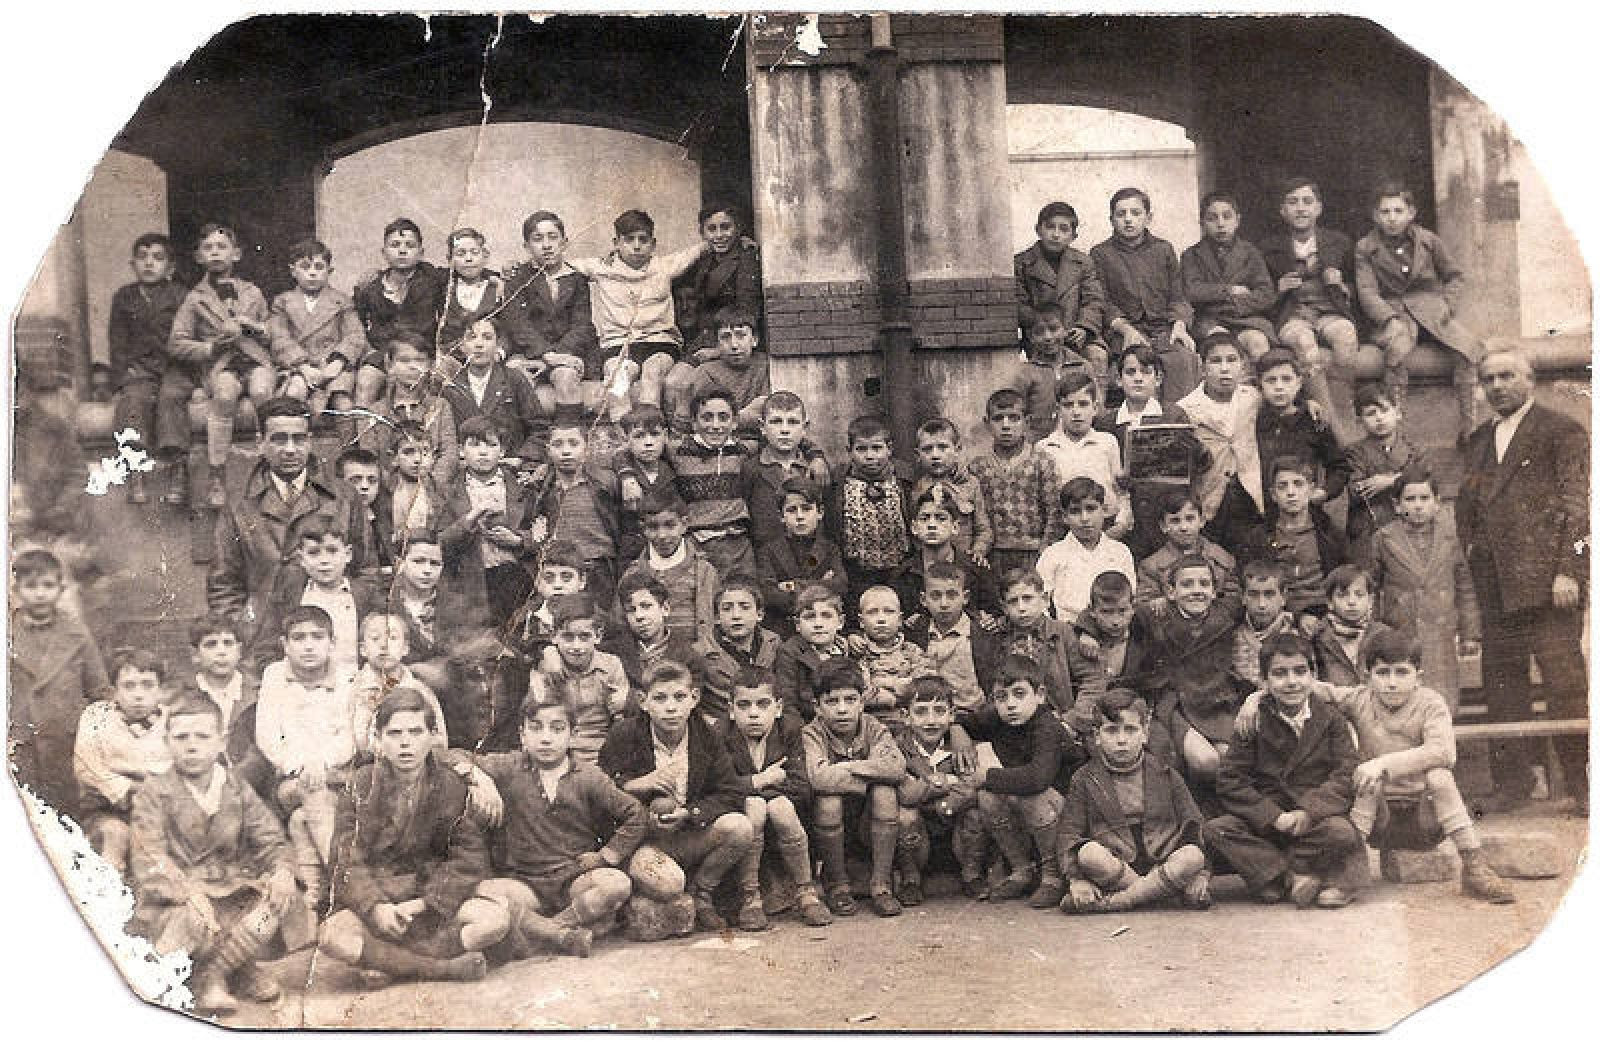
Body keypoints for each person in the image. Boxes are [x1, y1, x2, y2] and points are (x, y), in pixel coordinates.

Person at [1234, 630, 1515, 904]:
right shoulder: (1360, 698)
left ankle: (1474, 866)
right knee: (1366, 780)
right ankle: (1347, 876)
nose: (1391, 683)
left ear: (1419, 676)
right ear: (1367, 676)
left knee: (1439, 776)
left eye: (1401, 672)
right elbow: (1304, 685)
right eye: (1382, 673)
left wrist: (1382, 764)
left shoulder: (1431, 703)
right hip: (1378, 816)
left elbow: (1443, 751)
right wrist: (1254, 699)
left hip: (1424, 814)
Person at [1455, 347, 1588, 809]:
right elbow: (1466, 510)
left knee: (1564, 685)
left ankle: (1583, 786)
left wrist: (1570, 571)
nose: (1497, 386)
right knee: (1503, 687)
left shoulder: (1562, 432)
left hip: (1551, 589)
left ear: (1530, 380)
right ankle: (1512, 786)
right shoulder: (1476, 441)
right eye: (1488, 379)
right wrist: (1474, 558)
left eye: (1506, 376)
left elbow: (1580, 509)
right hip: (1496, 588)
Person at [128, 694, 297, 1015]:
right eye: (181, 737)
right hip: (174, 900)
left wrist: (282, 870)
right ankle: (219, 976)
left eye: (202, 736)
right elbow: (149, 857)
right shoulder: (154, 792)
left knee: (279, 899)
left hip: (227, 890)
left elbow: (271, 838)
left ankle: (218, 973)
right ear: (167, 742)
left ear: (221, 742)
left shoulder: (234, 787)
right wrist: (187, 892)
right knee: (191, 922)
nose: (191, 746)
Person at [317, 689, 500, 984]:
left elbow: (467, 858)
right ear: (378, 739)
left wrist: (424, 904)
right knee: (330, 936)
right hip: (379, 907)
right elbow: (346, 860)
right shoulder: (360, 785)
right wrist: (377, 907)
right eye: (394, 733)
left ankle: (390, 964)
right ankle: (443, 969)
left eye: (416, 732)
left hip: (429, 905)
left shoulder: (452, 785)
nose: (405, 743)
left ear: (432, 737)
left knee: (493, 921)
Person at [459, 693, 647, 958]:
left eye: (557, 729)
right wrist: (479, 777)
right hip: (524, 884)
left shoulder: (587, 776)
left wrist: (607, 855)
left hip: (573, 881)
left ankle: (548, 932)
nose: (546, 738)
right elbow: (449, 754)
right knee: (482, 890)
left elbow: (635, 814)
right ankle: (561, 936)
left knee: (616, 884)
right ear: (522, 735)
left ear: (572, 735)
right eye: (536, 728)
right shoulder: (509, 767)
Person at [1206, 633, 1364, 908]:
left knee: (1341, 832)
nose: (1292, 682)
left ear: (1313, 676)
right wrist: (1273, 816)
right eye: (1280, 674)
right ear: (1265, 682)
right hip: (1271, 822)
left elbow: (1345, 773)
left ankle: (1273, 875)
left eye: (1300, 671)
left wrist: (1308, 811)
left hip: (1313, 821)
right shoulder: (1253, 720)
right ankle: (1291, 877)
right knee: (1217, 829)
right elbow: (1231, 780)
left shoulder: (1331, 719)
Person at [598, 660, 757, 933]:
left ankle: (702, 892)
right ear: (643, 701)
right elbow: (598, 790)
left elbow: (730, 792)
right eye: (660, 698)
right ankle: (650, 891)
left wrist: (691, 812)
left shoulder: (706, 735)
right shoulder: (624, 735)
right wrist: (635, 784)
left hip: (690, 834)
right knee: (668, 885)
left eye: (679, 697)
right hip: (643, 840)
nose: (671, 707)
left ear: (694, 698)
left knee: (739, 827)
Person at [207, 396, 374, 635]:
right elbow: (223, 585)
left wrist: (347, 625)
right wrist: (243, 633)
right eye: (278, 439)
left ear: (310, 441)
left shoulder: (345, 497)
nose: (290, 450)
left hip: (330, 636)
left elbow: (367, 572)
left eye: (298, 439)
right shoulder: (239, 505)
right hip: (261, 638)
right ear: (260, 443)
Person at [1058, 688, 1210, 913]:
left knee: (1193, 857)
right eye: (1111, 731)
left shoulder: (1165, 772)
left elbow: (1194, 826)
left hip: (1162, 860)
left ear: (1145, 733)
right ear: (1097, 736)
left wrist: (1202, 874)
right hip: (1115, 864)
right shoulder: (1084, 778)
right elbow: (1069, 835)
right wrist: (1076, 880)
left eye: (1130, 730)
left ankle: (1116, 902)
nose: (1122, 740)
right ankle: (1159, 894)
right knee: (1088, 854)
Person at [1354, 180, 1483, 439]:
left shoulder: (1428, 241)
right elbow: (1367, 291)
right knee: (1396, 352)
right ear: (1375, 216)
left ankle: (1470, 429)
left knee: (1467, 349)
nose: (1392, 218)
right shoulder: (1366, 248)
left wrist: (1447, 304)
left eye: (1398, 211)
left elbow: (1455, 276)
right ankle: (1394, 431)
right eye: (1385, 212)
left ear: (1411, 213)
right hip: (1393, 314)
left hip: (1433, 312)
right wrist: (1388, 319)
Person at [254, 605, 358, 908]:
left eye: (317, 637)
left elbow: (350, 734)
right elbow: (267, 734)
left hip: (338, 775)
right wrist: (301, 764)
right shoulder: (274, 675)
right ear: (285, 645)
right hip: (293, 780)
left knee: (303, 820)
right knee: (312, 794)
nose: (309, 645)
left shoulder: (347, 678)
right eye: (299, 638)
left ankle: (316, 899)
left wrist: (322, 763)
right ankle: (347, 885)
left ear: (332, 643)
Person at [961, 655, 1084, 908]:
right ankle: (1021, 869)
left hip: (1071, 810)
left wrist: (987, 776)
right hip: (1036, 805)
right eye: (1001, 697)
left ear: (1040, 695)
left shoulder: (1046, 727)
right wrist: (958, 733)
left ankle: (1053, 876)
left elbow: (1038, 778)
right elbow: (965, 720)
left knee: (1030, 795)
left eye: (1019, 694)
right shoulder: (999, 717)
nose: (1010, 705)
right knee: (987, 796)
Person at [168, 223, 274, 508]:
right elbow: (177, 343)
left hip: (255, 360)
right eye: (208, 248)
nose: (215, 253)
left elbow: (272, 333)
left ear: (236, 254)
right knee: (225, 394)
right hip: (221, 365)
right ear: (199, 257)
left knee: (263, 391)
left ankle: (271, 465)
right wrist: (213, 346)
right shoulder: (194, 299)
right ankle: (217, 474)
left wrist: (251, 326)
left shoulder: (253, 292)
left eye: (222, 247)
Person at [571, 209, 709, 421]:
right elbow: (560, 263)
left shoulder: (663, 266)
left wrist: (741, 240)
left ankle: (649, 429)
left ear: (653, 244)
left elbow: (699, 249)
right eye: (629, 240)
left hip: (660, 342)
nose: (636, 246)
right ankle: (624, 435)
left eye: (643, 240)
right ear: (616, 242)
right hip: (619, 344)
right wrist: (508, 270)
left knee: (652, 373)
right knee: (618, 381)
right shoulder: (601, 268)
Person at [722, 669, 833, 928]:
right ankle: (750, 895)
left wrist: (766, 796)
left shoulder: (791, 731)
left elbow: (801, 786)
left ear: (778, 707)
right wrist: (761, 782)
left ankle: (806, 891)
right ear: (730, 710)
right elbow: (721, 788)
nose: (753, 713)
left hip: (789, 818)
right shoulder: (721, 735)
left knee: (779, 806)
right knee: (755, 806)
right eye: (744, 705)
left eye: (762, 704)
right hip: (745, 822)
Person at [1368, 467, 1481, 713]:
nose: (1418, 505)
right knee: (1403, 700)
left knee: (1442, 700)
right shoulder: (1383, 539)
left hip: (1441, 632)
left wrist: (1470, 632)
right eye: (1410, 499)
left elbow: (1465, 587)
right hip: (1401, 633)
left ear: (1437, 503)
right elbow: (1371, 588)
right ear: (1397, 506)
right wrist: (1377, 629)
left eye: (1424, 498)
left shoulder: (1449, 538)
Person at [801, 658, 908, 918]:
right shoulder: (812, 733)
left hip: (867, 823)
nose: (842, 710)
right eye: (832, 701)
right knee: (830, 800)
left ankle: (881, 885)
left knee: (885, 793)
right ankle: (838, 885)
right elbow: (820, 779)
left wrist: (849, 768)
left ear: (862, 702)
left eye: (850, 700)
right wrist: (871, 772)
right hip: (825, 829)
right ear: (817, 707)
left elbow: (895, 768)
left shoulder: (873, 727)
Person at [8, 548, 110, 816]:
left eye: (48, 585)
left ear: (61, 588)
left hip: (66, 748)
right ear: (16, 589)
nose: (40, 593)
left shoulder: (76, 635)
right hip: (19, 747)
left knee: (65, 822)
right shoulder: (7, 633)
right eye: (30, 586)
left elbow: (99, 691)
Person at [1137, 554, 1247, 788]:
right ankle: (1192, 803)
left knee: (1229, 759)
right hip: (1176, 703)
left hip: (1216, 701)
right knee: (1205, 761)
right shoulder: (1157, 616)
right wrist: (1088, 633)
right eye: (1187, 584)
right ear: (1170, 592)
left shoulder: (1224, 615)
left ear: (1215, 591)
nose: (1196, 591)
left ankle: (1215, 809)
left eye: (1204, 584)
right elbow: (1116, 608)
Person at [1259, 177, 1359, 429]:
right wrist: (1278, 289)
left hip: (1329, 312)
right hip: (1293, 315)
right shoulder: (1268, 248)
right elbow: (1259, 294)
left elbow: (1360, 287)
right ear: (1283, 211)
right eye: (1293, 202)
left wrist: (1340, 285)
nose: (1301, 208)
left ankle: (1344, 415)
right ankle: (1325, 420)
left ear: (1318, 208)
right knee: (1305, 344)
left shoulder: (1340, 243)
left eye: (1307, 201)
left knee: (1346, 335)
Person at [1095, 343, 1207, 559]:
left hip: (1164, 509)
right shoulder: (1107, 422)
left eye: (1146, 372)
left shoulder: (1173, 415)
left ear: (1158, 379)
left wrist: (1193, 449)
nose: (1138, 378)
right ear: (1118, 380)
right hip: (1126, 513)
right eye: (1130, 372)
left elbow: (1194, 465)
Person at [1090, 187, 1199, 401]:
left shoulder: (1163, 249)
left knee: (1183, 359)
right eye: (1121, 214)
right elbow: (1102, 300)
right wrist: (1125, 329)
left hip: (1162, 328)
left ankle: (1176, 420)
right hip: (1123, 331)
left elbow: (1178, 296)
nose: (1128, 220)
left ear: (1148, 218)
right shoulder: (1101, 254)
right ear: (1111, 219)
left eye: (1135, 213)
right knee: (1137, 362)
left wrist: (1179, 324)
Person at [73, 649, 172, 873]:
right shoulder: (97, 716)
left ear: (161, 691)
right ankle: (109, 895)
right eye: (129, 686)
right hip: (107, 805)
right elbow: (87, 765)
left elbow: (180, 765)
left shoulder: (172, 719)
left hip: (162, 804)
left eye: (147, 685)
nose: (138, 695)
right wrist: (125, 791)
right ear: (114, 691)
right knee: (114, 835)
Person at [105, 232, 186, 504]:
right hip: (139, 368)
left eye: (158, 258)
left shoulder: (180, 295)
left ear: (170, 267)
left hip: (175, 367)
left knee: (171, 398)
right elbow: (116, 341)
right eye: (142, 257)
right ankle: (135, 469)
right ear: (133, 264)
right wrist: (120, 379)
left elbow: (189, 336)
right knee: (134, 400)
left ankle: (177, 469)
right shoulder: (124, 297)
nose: (149, 263)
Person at [438, 416, 543, 624]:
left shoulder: (523, 488)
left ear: (502, 451)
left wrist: (518, 541)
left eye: (491, 445)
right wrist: (467, 521)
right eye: (475, 445)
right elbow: (440, 541)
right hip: (471, 579)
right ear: (461, 451)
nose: (483, 452)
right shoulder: (449, 492)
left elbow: (543, 532)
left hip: (515, 576)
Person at [248, 514, 382, 674]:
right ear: (301, 558)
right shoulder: (291, 594)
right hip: (302, 686)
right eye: (314, 553)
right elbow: (267, 647)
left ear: (348, 554)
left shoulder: (365, 595)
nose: (324, 561)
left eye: (332, 551)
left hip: (355, 683)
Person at [500, 210, 602, 419]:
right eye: (538, 239)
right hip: (531, 353)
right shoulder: (518, 279)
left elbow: (582, 325)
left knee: (565, 376)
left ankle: (568, 435)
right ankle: (525, 441)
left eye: (552, 237)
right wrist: (547, 355)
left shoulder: (576, 279)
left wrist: (557, 357)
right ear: (526, 246)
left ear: (564, 243)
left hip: (568, 352)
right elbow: (518, 325)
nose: (546, 245)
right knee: (514, 376)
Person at [893, 676, 985, 902]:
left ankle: (971, 874)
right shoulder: (897, 747)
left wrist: (942, 804)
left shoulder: (960, 748)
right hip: (918, 836)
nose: (931, 720)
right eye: (921, 712)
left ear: (952, 715)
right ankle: (910, 878)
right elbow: (905, 793)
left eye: (939, 711)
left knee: (975, 814)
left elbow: (972, 786)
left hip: (954, 833)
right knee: (905, 816)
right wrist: (944, 781)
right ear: (906, 716)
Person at [1013, 201, 1110, 409]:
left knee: (1097, 355)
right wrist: (1047, 327)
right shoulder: (1022, 263)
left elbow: (1094, 300)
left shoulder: (1083, 263)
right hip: (1042, 336)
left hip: (1077, 335)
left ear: (1073, 236)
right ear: (1038, 229)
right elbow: (1019, 305)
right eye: (1050, 227)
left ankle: (1097, 410)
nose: (1056, 234)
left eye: (1064, 229)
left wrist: (1084, 327)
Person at [1239, 455, 1350, 634]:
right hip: (1276, 616)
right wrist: (1295, 617)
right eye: (1282, 486)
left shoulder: (1330, 534)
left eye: (1298, 484)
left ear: (1311, 490)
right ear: (1273, 495)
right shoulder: (1259, 538)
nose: (1291, 493)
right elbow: (1252, 586)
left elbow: (1343, 581)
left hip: (1325, 615)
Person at [1178, 332, 1266, 550]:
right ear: (1203, 367)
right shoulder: (1186, 409)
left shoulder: (1252, 398)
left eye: (1231, 360)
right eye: (1216, 361)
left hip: (1249, 492)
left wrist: (1310, 404)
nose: (1224, 368)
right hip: (1210, 495)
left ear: (1242, 366)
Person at [969, 388, 1064, 582]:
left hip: (1033, 552)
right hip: (992, 554)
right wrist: (978, 550)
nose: (1006, 425)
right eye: (998, 418)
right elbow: (975, 517)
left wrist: (1046, 551)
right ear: (987, 423)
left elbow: (1054, 512)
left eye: (1014, 418)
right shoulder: (977, 467)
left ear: (1026, 422)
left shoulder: (1042, 462)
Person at [994, 568, 1106, 732]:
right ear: (1004, 608)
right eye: (1013, 601)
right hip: (1015, 723)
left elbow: (1093, 680)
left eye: (1027, 599)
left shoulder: (1063, 633)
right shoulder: (1000, 639)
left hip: (1062, 721)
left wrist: (1072, 720)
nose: (1021, 608)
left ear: (1045, 600)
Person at [267, 237, 366, 418]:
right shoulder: (282, 302)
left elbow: (355, 335)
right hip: (298, 367)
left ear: (330, 271)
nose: (312, 273)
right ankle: (296, 442)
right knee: (294, 394)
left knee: (343, 403)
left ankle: (349, 447)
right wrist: (303, 366)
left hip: (333, 367)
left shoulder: (341, 301)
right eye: (305, 267)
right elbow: (280, 337)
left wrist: (337, 364)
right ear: (293, 271)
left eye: (319, 267)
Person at [351, 218, 447, 404]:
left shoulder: (433, 279)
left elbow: (465, 271)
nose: (402, 250)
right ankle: (364, 431)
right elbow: (358, 322)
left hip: (421, 353)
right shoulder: (370, 287)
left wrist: (496, 278)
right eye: (395, 245)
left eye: (410, 245)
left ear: (421, 253)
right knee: (366, 380)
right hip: (383, 353)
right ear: (384, 252)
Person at [525, 595, 630, 765]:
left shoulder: (611, 665)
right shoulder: (547, 666)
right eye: (568, 637)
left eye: (584, 637)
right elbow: (536, 716)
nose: (576, 647)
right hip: (559, 754)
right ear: (554, 636)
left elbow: (620, 719)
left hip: (601, 753)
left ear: (598, 636)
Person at [670, 388, 760, 581]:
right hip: (697, 544)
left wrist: (815, 456)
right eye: (707, 417)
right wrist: (627, 476)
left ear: (734, 422)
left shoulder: (745, 450)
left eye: (723, 417)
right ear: (694, 423)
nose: (715, 425)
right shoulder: (677, 450)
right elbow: (626, 451)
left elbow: (787, 439)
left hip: (738, 544)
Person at [829, 414, 914, 613]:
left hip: (898, 568)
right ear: (849, 451)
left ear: (889, 449)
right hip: (857, 570)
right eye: (861, 449)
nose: (869, 456)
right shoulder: (839, 482)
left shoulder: (904, 479)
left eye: (877, 448)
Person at [1180, 190, 1276, 363]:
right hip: (1210, 321)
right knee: (1221, 344)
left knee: (1257, 342)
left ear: (1237, 220)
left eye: (1227, 216)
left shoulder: (1250, 252)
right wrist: (1230, 291)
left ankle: (1253, 388)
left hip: (1246, 318)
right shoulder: (1192, 255)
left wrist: (1235, 305)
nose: (1220, 224)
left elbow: (1266, 294)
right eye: (1212, 218)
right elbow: (1192, 291)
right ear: (1202, 223)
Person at [440, 317, 547, 465]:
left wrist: (521, 459)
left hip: (510, 467)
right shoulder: (450, 386)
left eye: (487, 338)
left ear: (498, 345)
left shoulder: (514, 379)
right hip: (464, 469)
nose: (479, 344)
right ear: (461, 346)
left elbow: (539, 428)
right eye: (472, 338)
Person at [537, 418, 620, 606]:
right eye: (558, 444)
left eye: (573, 443)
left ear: (586, 448)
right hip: (561, 571)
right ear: (548, 450)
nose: (566, 451)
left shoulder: (605, 483)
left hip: (598, 568)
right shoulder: (543, 489)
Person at [888, 483, 999, 622]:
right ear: (914, 528)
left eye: (941, 518)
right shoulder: (903, 575)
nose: (932, 525)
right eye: (924, 518)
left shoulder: (976, 569)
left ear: (955, 527)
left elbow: (993, 615)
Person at [1343, 380, 1428, 561]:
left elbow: (1423, 482)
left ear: (1397, 413)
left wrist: (1391, 481)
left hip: (1408, 523)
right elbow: (1356, 489)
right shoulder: (1355, 452)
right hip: (1370, 526)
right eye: (1371, 414)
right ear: (1360, 421)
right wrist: (1405, 478)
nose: (1379, 418)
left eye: (1384, 410)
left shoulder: (1414, 450)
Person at [1036, 371, 1128, 537]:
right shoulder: (1045, 448)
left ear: (1095, 408)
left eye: (1083, 404)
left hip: (1106, 526)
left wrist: (1121, 523)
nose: (1076, 412)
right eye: (1068, 405)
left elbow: (1121, 490)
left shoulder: (1107, 443)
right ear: (1058, 409)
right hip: (1062, 529)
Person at [905, 561, 1003, 716]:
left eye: (952, 595)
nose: (944, 604)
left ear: (965, 597)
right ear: (924, 600)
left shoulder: (982, 634)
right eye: (936, 596)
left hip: (973, 716)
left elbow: (993, 683)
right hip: (930, 717)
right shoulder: (915, 633)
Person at [621, 488, 720, 641]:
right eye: (653, 527)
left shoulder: (704, 572)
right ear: (643, 529)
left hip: (695, 658)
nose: (662, 535)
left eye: (670, 525)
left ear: (684, 524)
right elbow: (620, 626)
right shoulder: (633, 574)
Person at [1035, 477, 1136, 624]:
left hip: (1112, 628)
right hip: (1068, 630)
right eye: (1075, 511)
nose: (1084, 518)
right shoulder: (1053, 555)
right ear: (1065, 517)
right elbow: (1039, 602)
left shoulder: (1120, 552)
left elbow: (1130, 598)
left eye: (1091, 509)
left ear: (1104, 510)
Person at [1254, 348, 1346, 508]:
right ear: (1260, 385)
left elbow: (1339, 467)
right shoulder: (1253, 421)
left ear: (1299, 383)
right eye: (1271, 380)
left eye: (1286, 379)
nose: (1279, 387)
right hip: (1262, 512)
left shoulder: (1313, 421)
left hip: (1305, 510)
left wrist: (1323, 492)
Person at [756, 476, 846, 634]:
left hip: (821, 626)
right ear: (781, 516)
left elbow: (840, 585)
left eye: (806, 508)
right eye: (791, 510)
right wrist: (820, 585)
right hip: (783, 629)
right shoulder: (768, 550)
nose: (799, 516)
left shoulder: (830, 549)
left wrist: (793, 586)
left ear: (820, 512)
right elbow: (769, 594)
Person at [692, 575, 783, 728]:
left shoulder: (773, 643)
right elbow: (693, 702)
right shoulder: (700, 652)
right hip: (720, 730)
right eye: (727, 609)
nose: (736, 615)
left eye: (745, 607)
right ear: (716, 618)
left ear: (759, 614)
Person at [674, 203, 765, 354]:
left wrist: (718, 351)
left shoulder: (746, 260)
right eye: (712, 229)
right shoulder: (705, 259)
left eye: (725, 227)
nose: (719, 235)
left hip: (728, 345)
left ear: (737, 229)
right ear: (702, 233)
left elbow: (748, 312)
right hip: (702, 340)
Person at [605, 571, 704, 707]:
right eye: (631, 610)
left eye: (646, 606)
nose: (639, 616)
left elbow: (688, 705)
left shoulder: (688, 658)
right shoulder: (612, 653)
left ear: (665, 609)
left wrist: (630, 700)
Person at [910, 416, 993, 565]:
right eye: (927, 449)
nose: (935, 455)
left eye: (942, 447)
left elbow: (983, 527)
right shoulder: (916, 488)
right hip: (929, 562)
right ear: (917, 455)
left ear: (957, 449)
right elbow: (914, 531)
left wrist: (978, 551)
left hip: (963, 562)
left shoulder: (970, 484)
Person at [1135, 490, 1237, 609]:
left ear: (1202, 521)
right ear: (1163, 526)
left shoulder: (1222, 559)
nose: (1183, 527)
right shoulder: (1151, 567)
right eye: (1175, 521)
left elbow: (1233, 600)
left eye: (1190, 518)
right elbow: (1146, 605)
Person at [851, 585, 933, 731]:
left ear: (900, 619)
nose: (881, 619)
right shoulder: (858, 653)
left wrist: (881, 683)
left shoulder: (911, 651)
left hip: (910, 724)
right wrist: (895, 689)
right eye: (872, 612)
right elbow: (859, 691)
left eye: (889, 612)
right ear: (861, 621)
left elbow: (926, 684)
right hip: (868, 726)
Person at [772, 584, 852, 723]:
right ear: (797, 624)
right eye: (810, 617)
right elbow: (788, 703)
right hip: (809, 724)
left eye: (826, 616)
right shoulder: (790, 652)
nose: (818, 624)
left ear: (840, 622)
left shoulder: (847, 650)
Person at [686, 307, 771, 435]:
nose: (734, 345)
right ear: (717, 343)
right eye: (726, 337)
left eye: (741, 336)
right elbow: (707, 419)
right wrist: (744, 416)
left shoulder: (765, 365)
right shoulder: (705, 372)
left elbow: (765, 411)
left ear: (754, 340)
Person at [612, 404, 678, 564]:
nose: (648, 443)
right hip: (632, 550)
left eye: (655, 434)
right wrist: (626, 475)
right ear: (625, 439)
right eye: (639, 436)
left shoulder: (672, 469)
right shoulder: (618, 473)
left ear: (665, 435)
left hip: (666, 548)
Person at [435, 228, 511, 353]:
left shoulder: (497, 288)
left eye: (475, 252)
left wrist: (500, 351)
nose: (468, 259)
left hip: (490, 356)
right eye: (460, 254)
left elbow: (508, 329)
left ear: (485, 256)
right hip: (451, 356)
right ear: (450, 260)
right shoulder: (443, 286)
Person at [1310, 565, 1384, 688]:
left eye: (1359, 595)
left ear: (1370, 601)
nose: (1351, 602)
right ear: (1330, 602)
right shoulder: (1318, 637)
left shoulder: (1382, 635)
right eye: (1342, 595)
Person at [1232, 560, 1300, 689]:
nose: (1261, 604)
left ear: (1283, 597)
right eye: (1253, 595)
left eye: (1269, 594)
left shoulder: (1302, 634)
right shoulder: (1232, 637)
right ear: (1243, 597)